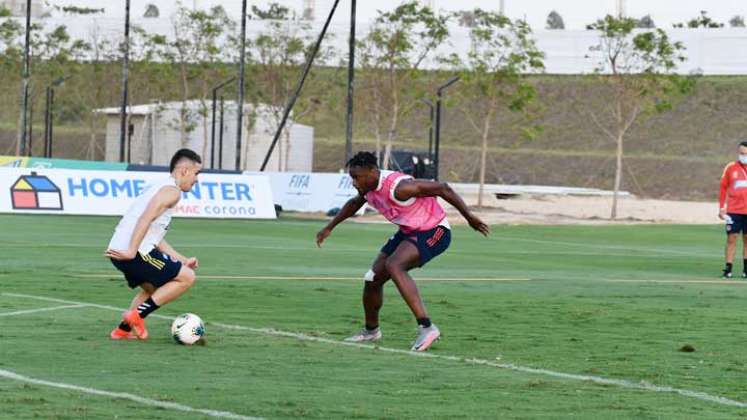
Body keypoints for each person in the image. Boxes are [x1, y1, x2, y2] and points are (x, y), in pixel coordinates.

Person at [316, 151, 489, 351]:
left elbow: (443, 188)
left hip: (435, 231)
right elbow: (355, 203)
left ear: (373, 171)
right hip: (408, 232)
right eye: (352, 178)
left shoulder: (400, 188)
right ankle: (371, 331)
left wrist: (469, 217)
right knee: (372, 278)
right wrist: (330, 226)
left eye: (357, 177)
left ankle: (427, 327)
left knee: (394, 265)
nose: (354, 182)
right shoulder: (367, 186)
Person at [105, 149, 202, 340]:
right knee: (187, 277)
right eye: (196, 173)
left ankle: (122, 330)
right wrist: (132, 251)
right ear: (184, 170)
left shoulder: (158, 186)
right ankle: (136, 316)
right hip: (135, 252)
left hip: (120, 249)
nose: (197, 179)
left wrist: (181, 260)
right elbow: (145, 218)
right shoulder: (172, 191)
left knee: (154, 289)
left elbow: (154, 235)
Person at [719, 141, 747, 278]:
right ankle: (728, 268)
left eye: (746, 154)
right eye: (741, 153)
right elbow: (723, 188)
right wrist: (721, 207)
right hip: (734, 210)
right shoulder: (731, 168)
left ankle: (746, 270)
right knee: (732, 238)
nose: (743, 156)